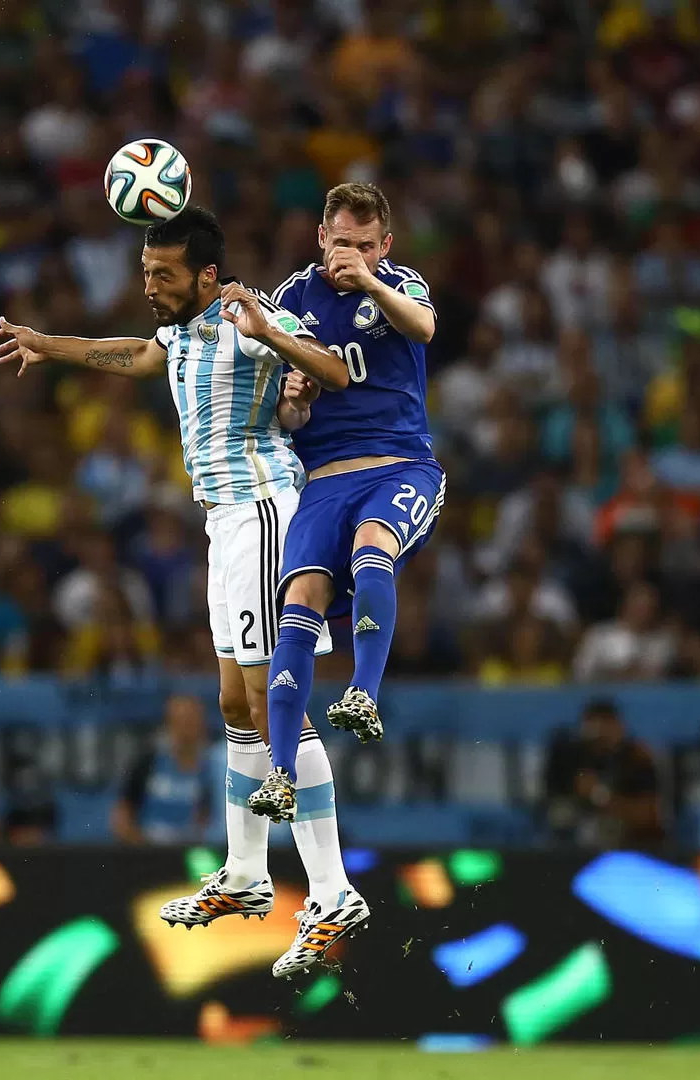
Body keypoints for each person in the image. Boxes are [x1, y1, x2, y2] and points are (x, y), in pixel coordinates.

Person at [0, 206, 364, 978]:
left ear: (204, 274)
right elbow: (135, 354)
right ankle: (246, 873)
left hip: (266, 510)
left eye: (162, 275)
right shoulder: (181, 335)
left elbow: (330, 373)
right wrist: (48, 345)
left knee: (272, 701)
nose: (150, 287)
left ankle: (331, 890)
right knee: (234, 703)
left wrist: (273, 340)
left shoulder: (248, 314)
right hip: (223, 524)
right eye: (144, 273)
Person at [249, 182, 444, 816]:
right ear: (320, 238)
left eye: (364, 245)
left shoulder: (398, 285)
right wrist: (296, 399)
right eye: (341, 243)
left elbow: (424, 326)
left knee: (370, 551)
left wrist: (371, 282)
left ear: (383, 245)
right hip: (323, 478)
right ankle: (280, 775)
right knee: (298, 602)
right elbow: (285, 416)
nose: (350, 254)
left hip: (398, 467)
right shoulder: (292, 298)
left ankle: (362, 692)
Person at [544, 699, 664, 849]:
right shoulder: (570, 755)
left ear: (619, 728)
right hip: (578, 828)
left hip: (624, 836)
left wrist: (599, 795)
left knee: (602, 830)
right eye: (593, 729)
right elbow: (551, 803)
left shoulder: (636, 757)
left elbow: (649, 816)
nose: (600, 736)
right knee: (561, 816)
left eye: (606, 728)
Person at [111, 694, 214, 844]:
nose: (185, 729)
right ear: (168, 724)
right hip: (149, 852)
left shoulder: (212, 770)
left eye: (190, 721)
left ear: (201, 724)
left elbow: (209, 818)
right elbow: (122, 814)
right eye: (179, 721)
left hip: (192, 855)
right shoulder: (147, 762)